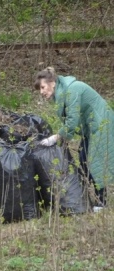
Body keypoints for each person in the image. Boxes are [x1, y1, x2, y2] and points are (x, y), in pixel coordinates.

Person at [34, 66, 114, 208]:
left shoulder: (71, 90)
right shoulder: (62, 94)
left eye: (43, 87)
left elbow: (72, 121)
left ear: (52, 82)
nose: (41, 92)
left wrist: (55, 138)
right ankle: (97, 199)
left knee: (93, 163)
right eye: (40, 89)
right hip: (89, 127)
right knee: (84, 161)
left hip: (101, 124)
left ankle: (101, 203)